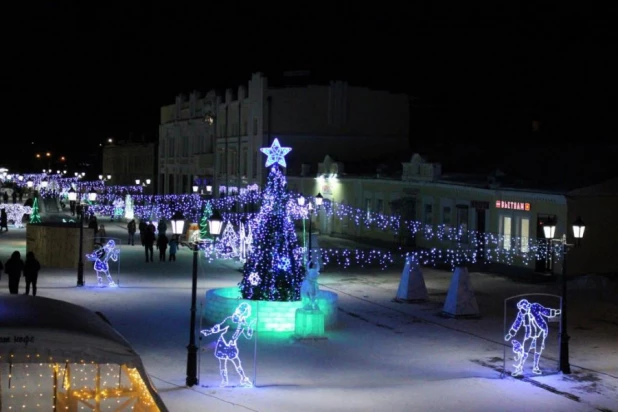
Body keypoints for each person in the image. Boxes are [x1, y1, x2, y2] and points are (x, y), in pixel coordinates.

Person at [201, 302, 255, 387]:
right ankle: (224, 381)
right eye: (241, 310)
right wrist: (209, 332)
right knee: (222, 361)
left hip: (231, 344)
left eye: (244, 311)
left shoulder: (243, 323)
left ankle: (243, 378)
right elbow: (220, 327)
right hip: (223, 342)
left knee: (236, 361)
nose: (241, 312)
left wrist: (250, 327)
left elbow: (248, 335)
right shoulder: (231, 319)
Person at [505, 299, 561, 376]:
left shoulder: (534, 306)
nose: (525, 307)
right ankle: (520, 368)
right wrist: (511, 334)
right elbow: (517, 324)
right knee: (525, 351)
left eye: (526, 305)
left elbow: (545, 311)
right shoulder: (522, 313)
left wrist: (556, 312)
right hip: (530, 334)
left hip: (540, 331)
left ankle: (535, 367)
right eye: (523, 307)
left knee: (538, 349)